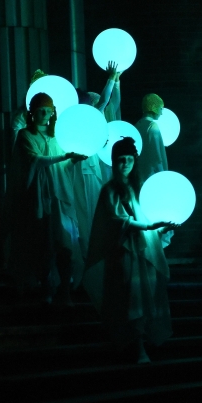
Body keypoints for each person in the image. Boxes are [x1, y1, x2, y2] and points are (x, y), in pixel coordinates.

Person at [82, 137, 178, 363]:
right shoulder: (109, 190)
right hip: (124, 253)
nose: (125, 164)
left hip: (143, 252)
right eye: (121, 160)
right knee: (130, 297)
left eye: (129, 159)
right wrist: (149, 226)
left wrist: (161, 227)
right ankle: (136, 346)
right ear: (114, 161)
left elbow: (148, 218)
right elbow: (117, 221)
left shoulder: (140, 189)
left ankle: (143, 341)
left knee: (144, 296)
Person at [5, 92, 88, 304]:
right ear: (32, 112)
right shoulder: (25, 135)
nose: (45, 115)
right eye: (41, 110)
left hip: (59, 196)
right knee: (42, 244)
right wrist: (65, 156)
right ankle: (46, 288)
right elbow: (35, 160)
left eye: (48, 111)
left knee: (65, 243)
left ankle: (64, 289)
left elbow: (62, 167)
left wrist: (73, 160)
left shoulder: (57, 136)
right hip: (39, 198)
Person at [74, 62, 121, 260]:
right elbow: (103, 101)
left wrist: (114, 80)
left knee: (89, 214)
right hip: (82, 170)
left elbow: (106, 103)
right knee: (85, 214)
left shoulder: (86, 119)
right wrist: (111, 79)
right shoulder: (75, 120)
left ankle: (92, 255)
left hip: (89, 170)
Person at [134, 93, 167, 183]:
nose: (161, 113)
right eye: (161, 108)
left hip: (139, 176)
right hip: (151, 176)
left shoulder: (137, 125)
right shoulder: (152, 126)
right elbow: (156, 157)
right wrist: (163, 177)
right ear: (154, 107)